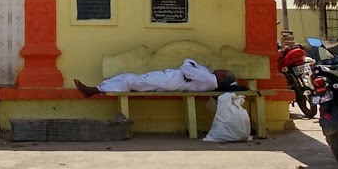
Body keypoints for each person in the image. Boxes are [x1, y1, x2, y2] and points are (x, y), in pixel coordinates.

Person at [75, 59, 236, 96]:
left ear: (222, 77)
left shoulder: (209, 79)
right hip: (168, 81)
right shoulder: (208, 76)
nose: (219, 69)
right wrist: (190, 69)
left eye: (222, 70)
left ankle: (94, 90)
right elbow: (189, 62)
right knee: (128, 78)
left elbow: (186, 66)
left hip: (168, 81)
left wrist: (190, 69)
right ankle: (97, 89)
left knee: (130, 81)